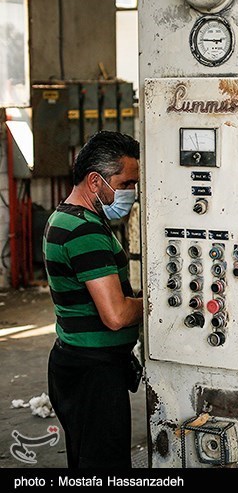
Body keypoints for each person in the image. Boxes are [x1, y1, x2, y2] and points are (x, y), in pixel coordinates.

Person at [44, 130, 143, 468]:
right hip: (93, 374)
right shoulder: (84, 231)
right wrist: (160, 304)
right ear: (95, 181)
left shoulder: (65, 217)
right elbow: (115, 315)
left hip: (78, 364)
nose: (131, 193)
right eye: (126, 183)